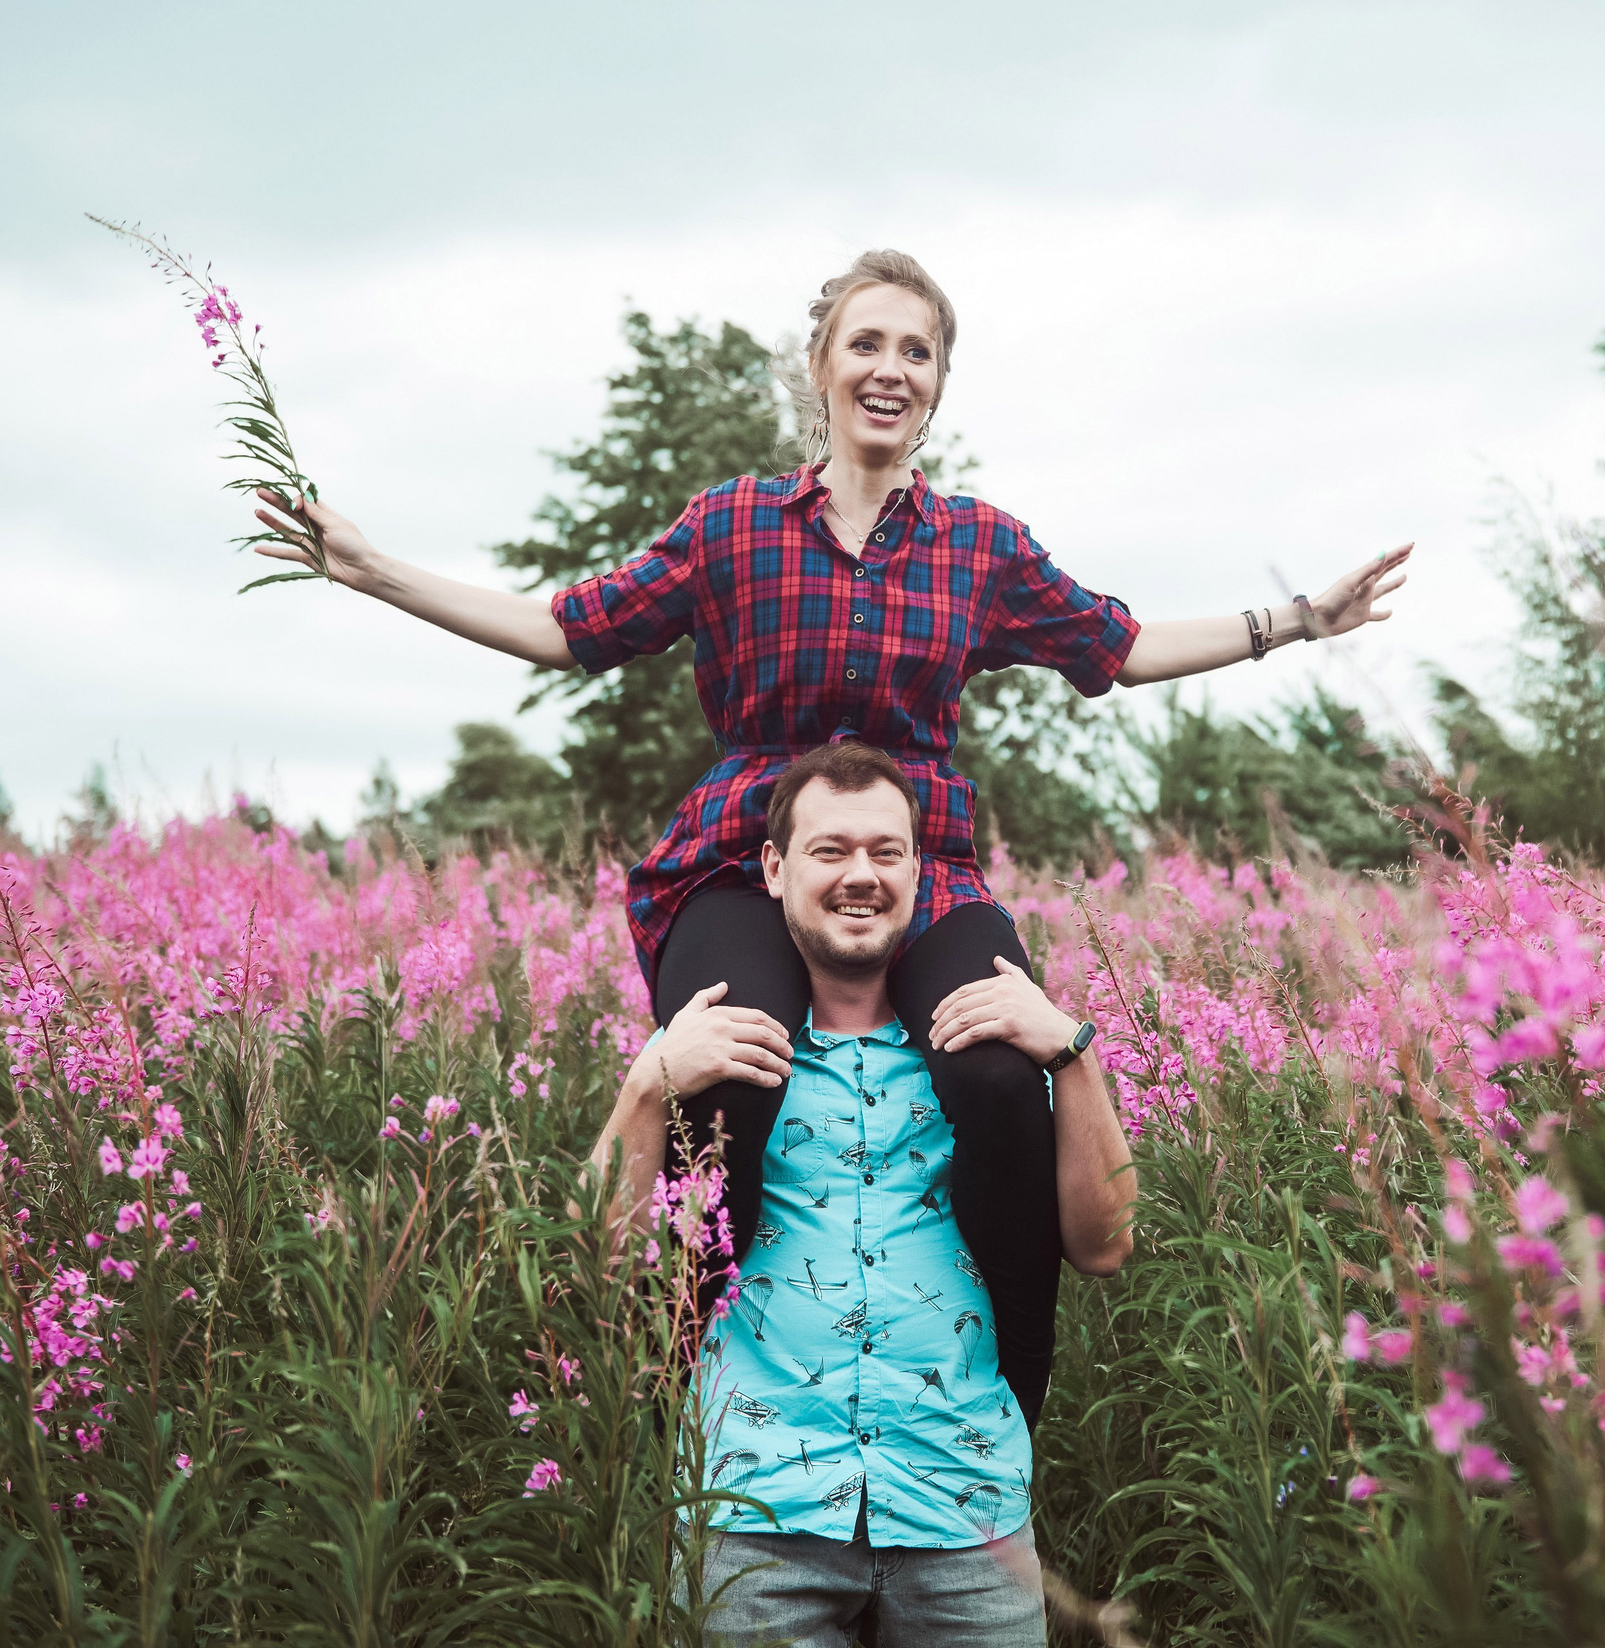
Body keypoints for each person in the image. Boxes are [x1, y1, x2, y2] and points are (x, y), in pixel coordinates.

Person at [247, 248, 1409, 1425]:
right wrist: (370, 570)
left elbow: (1119, 646)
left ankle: (1004, 1417)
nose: (890, 369)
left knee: (1005, 1080)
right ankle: (684, 1397)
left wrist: (1301, 620)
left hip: (922, 872)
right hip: (741, 864)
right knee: (734, 1069)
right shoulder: (732, 525)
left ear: (940, 382)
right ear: (820, 366)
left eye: (918, 350)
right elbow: (567, 629)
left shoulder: (981, 548)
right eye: (867, 343)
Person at [586, 741, 1130, 1643]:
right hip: (752, 1515)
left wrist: (1071, 1052)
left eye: (885, 852)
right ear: (773, 868)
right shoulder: (711, 1055)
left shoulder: (987, 1048)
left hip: (966, 1514)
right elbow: (592, 1258)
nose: (860, 877)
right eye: (829, 851)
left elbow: (1108, 1246)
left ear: (921, 869)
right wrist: (646, 1087)